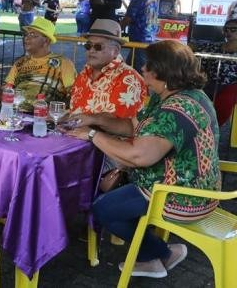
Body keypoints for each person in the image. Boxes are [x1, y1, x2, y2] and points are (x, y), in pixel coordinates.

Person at [63, 40, 220, 279]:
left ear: (161, 71)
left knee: (103, 208)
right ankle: (156, 252)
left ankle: (159, 253)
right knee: (106, 187)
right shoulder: (176, 94)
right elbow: (133, 127)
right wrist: (94, 119)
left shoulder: (179, 108)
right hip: (194, 184)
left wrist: (93, 135)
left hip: (184, 195)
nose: (143, 69)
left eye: (147, 65)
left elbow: (140, 156)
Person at [70, 19, 147, 118]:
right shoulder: (85, 72)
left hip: (102, 133)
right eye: (88, 46)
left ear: (115, 51)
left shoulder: (128, 78)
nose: (91, 50)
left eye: (98, 47)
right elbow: (75, 111)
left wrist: (90, 128)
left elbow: (124, 126)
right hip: (74, 131)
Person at [5, 17, 76, 106]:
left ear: (46, 41)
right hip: (15, 111)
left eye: (33, 35)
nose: (26, 38)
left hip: (44, 115)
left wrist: (58, 111)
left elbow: (74, 94)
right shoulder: (20, 63)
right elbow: (8, 89)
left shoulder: (63, 63)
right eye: (27, 34)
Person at [193, 18, 237, 126]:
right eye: (226, 29)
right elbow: (192, 45)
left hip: (231, 85)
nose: (228, 32)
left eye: (233, 29)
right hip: (209, 82)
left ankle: (213, 128)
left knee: (223, 106)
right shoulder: (215, 46)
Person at [121, 0, 159, 71]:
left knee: (139, 71)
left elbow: (127, 19)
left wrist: (115, 30)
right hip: (150, 39)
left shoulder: (138, 0)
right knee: (129, 67)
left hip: (139, 40)